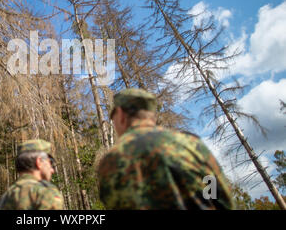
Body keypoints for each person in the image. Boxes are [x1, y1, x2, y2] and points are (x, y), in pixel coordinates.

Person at [97, 88, 235, 209]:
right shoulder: (192, 144)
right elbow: (219, 195)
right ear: (151, 115)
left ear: (120, 115)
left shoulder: (112, 160)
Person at [0, 139, 64, 210]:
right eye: (51, 162)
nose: (52, 170)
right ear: (39, 162)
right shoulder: (45, 192)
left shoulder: (5, 197)